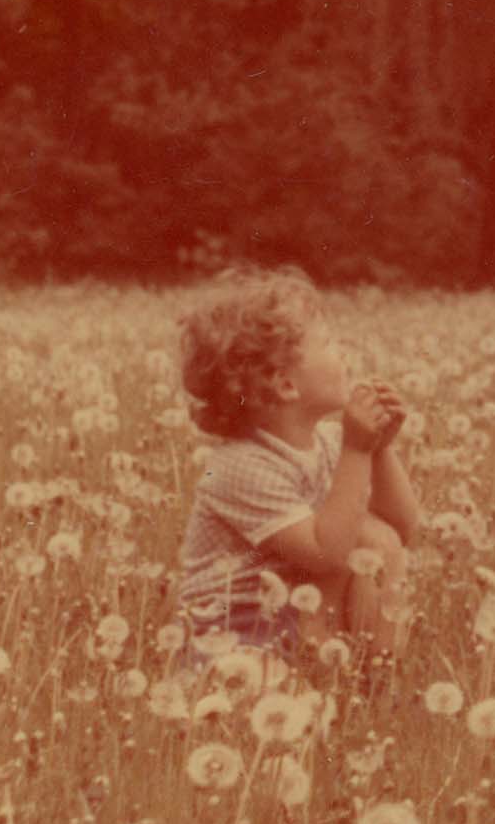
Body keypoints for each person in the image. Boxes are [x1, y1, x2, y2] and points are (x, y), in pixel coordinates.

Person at [173, 273, 420, 669]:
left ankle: (377, 677)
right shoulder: (239, 466)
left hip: (295, 604)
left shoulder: (330, 441)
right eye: (329, 343)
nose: (343, 351)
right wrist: (358, 449)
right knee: (362, 540)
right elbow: (326, 554)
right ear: (285, 385)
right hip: (237, 630)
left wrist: (380, 449)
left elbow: (402, 530)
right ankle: (343, 679)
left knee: (376, 538)